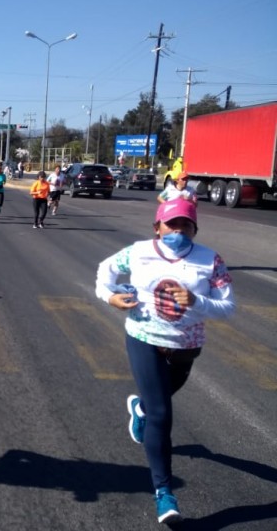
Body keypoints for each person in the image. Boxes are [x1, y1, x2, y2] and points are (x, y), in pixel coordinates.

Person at [95, 200, 234, 524]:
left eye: (185, 225)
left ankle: (139, 409)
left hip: (186, 347)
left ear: (195, 229)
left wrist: (198, 301)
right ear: (157, 228)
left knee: (156, 403)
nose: (178, 230)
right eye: (171, 224)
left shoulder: (210, 260)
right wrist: (110, 295)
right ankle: (164, 493)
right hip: (144, 338)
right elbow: (107, 270)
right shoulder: (139, 252)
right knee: (162, 413)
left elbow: (227, 307)